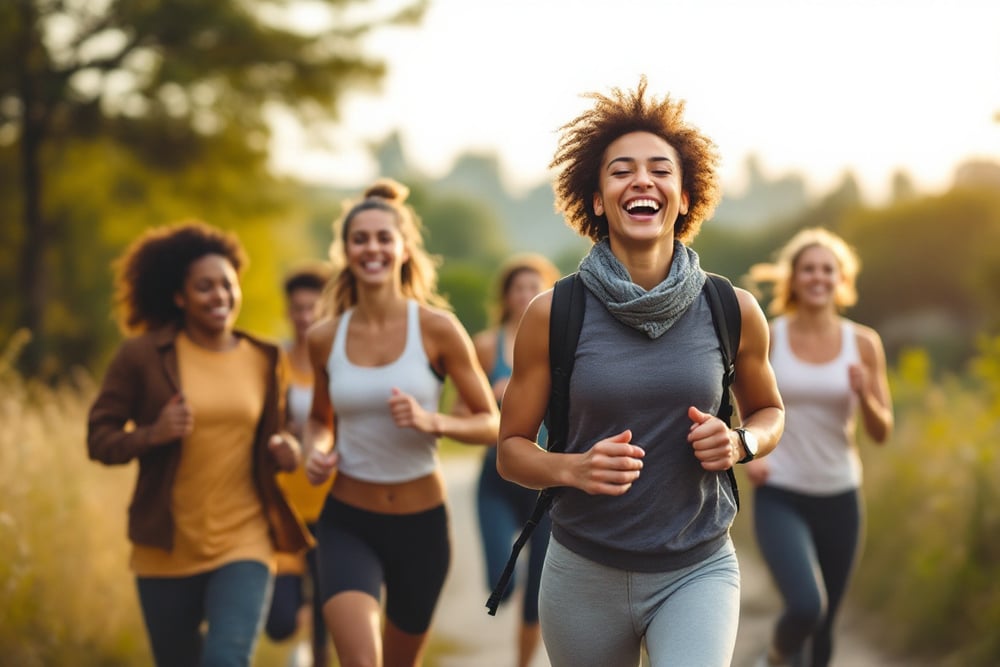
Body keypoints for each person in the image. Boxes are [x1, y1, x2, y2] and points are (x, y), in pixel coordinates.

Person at [494, 77, 786, 667]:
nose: (642, 180)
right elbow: (510, 450)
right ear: (598, 199)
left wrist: (739, 442)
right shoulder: (554, 313)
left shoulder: (733, 309)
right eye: (621, 170)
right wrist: (572, 468)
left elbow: (770, 414)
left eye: (660, 169)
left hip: (698, 566)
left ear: (683, 196)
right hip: (583, 570)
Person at [86, 221, 313, 667]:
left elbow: (280, 431)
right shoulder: (142, 357)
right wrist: (154, 433)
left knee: (226, 659)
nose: (219, 296)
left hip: (245, 540)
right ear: (179, 297)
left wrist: (289, 449)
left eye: (227, 285)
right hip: (165, 548)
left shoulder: (264, 358)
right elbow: (100, 439)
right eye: (204, 287)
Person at [300, 178, 500, 667]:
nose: (372, 248)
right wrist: (316, 449)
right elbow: (319, 420)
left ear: (404, 248)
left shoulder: (437, 329)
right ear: (345, 250)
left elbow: (493, 424)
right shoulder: (325, 338)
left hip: (421, 527)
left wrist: (433, 422)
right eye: (360, 239)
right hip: (348, 520)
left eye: (383, 238)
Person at [745, 227, 894, 667]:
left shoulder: (863, 343)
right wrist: (750, 453)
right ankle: (773, 659)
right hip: (780, 493)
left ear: (841, 280)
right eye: (808, 269)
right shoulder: (769, 336)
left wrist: (866, 393)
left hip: (840, 496)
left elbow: (882, 431)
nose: (817, 277)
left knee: (826, 627)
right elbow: (744, 407)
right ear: (792, 279)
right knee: (808, 606)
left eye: (827, 270)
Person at [457, 253, 561, 667]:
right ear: (506, 296)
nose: (524, 295)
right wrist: (494, 397)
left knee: (537, 591)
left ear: (547, 291)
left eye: (533, 286)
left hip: (545, 479)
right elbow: (465, 415)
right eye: (517, 288)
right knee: (500, 577)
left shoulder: (561, 342)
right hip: (497, 478)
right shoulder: (486, 346)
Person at [265, 263, 336, 666]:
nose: (305, 316)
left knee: (330, 619)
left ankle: (314, 651)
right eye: (298, 308)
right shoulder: (275, 365)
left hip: (333, 503)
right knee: (278, 620)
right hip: (286, 508)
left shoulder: (340, 361)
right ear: (288, 311)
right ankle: (303, 622)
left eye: (313, 308)